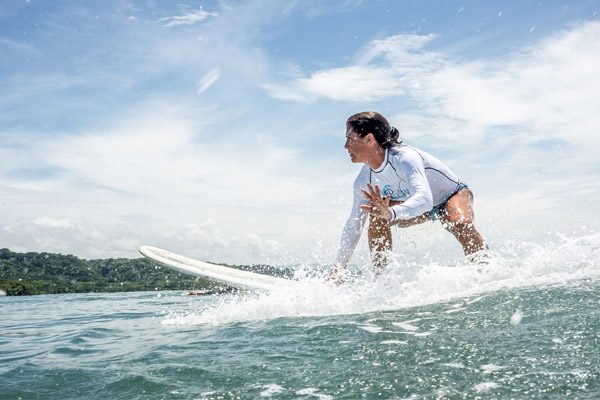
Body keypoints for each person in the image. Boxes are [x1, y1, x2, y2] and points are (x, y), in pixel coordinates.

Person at [330, 111, 487, 281]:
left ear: (369, 139)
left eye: (350, 139)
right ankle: (383, 281)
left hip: (451, 195)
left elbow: (425, 200)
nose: (346, 146)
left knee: (459, 223)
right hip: (416, 206)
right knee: (376, 216)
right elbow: (354, 226)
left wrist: (391, 213)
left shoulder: (405, 158)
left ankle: (485, 269)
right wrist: (338, 269)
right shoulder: (363, 181)